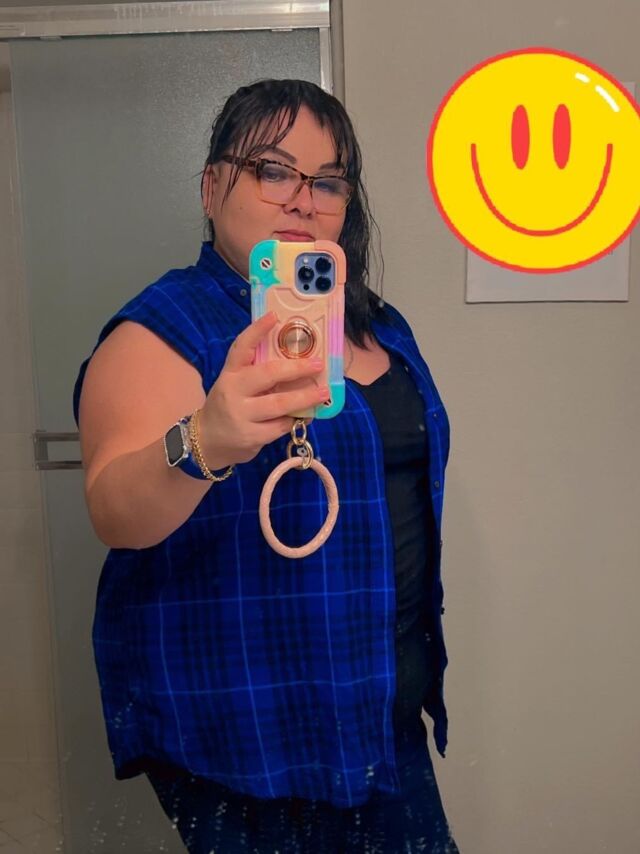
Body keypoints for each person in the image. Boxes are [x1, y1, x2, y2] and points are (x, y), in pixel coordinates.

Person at [73, 78, 458, 853]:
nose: (303, 200)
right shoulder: (163, 327)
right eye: (273, 170)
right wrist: (205, 440)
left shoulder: (376, 324)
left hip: (380, 719)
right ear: (212, 186)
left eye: (329, 181)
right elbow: (113, 508)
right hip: (247, 739)